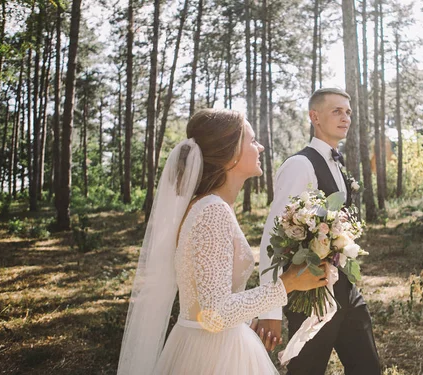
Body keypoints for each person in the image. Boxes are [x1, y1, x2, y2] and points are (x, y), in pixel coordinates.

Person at [117, 108, 329, 375]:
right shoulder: (211, 212)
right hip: (211, 356)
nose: (260, 147)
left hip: (211, 342)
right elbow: (215, 314)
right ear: (231, 155)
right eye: (251, 141)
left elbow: (211, 300)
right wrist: (288, 282)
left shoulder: (210, 206)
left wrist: (245, 317)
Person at [257, 88, 381, 374]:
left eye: (348, 112)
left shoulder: (337, 164)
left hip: (345, 289)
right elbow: (271, 240)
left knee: (368, 368)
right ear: (315, 117)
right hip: (311, 295)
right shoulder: (300, 165)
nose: (346, 117)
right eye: (336, 111)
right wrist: (270, 309)